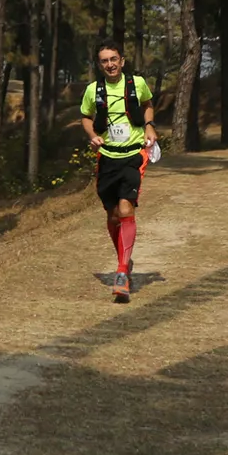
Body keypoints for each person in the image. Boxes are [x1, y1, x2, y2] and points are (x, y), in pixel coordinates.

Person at [79, 45, 156, 303]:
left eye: (114, 59)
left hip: (134, 155)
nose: (110, 64)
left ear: (122, 61)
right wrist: (92, 136)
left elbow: (147, 105)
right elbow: (86, 117)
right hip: (107, 157)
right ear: (99, 65)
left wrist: (149, 126)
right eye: (104, 61)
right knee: (113, 215)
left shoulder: (137, 83)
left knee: (126, 210)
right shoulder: (93, 90)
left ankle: (121, 272)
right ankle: (125, 260)